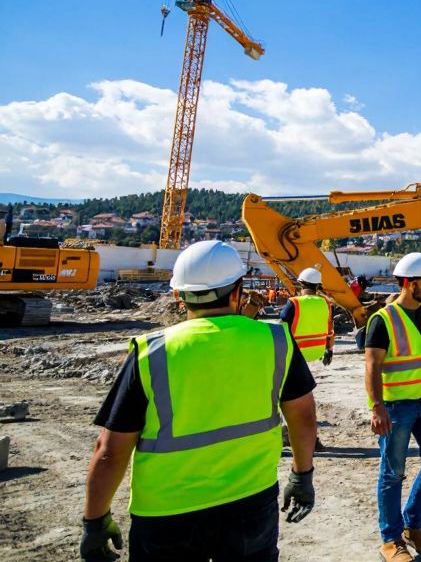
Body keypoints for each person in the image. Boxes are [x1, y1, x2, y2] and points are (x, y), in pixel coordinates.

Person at [81, 240, 317, 562]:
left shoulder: (152, 353)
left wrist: (95, 520)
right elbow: (302, 416)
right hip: (251, 503)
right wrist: (301, 476)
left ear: (178, 295)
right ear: (239, 289)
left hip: (166, 514)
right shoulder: (276, 341)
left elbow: (110, 450)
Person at [364, 252, 421, 562]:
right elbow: (372, 366)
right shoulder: (383, 319)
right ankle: (390, 540)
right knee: (393, 473)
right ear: (407, 283)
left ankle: (412, 526)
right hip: (396, 406)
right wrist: (377, 407)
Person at [283, 267, 334, 367]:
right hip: (317, 352)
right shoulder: (326, 303)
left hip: (296, 353)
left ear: (301, 284)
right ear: (318, 286)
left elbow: (280, 328)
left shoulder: (294, 302)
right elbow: (330, 330)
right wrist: (330, 351)